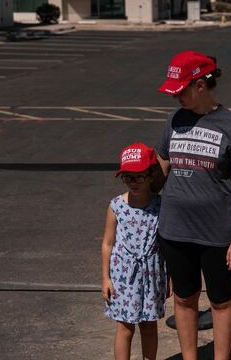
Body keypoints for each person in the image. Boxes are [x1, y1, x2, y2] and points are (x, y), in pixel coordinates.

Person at [153, 51, 231, 360]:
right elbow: (161, 168)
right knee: (184, 298)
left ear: (200, 85)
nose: (176, 97)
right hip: (175, 231)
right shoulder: (174, 119)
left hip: (216, 234)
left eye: (180, 90)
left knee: (221, 300)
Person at [101, 142, 167, 360]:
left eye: (138, 176)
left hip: (152, 274)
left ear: (151, 175)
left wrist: (171, 277)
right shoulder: (116, 206)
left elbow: (167, 244)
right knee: (125, 327)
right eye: (127, 177)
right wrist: (105, 278)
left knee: (149, 326)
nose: (133, 182)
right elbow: (108, 243)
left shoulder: (161, 205)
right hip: (123, 276)